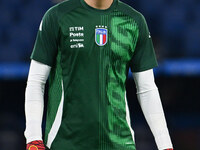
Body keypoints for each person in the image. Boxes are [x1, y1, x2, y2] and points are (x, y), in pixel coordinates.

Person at [25, 0, 173, 150]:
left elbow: (147, 89)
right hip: (65, 142)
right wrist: (33, 137)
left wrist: (165, 144)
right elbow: (36, 81)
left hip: (120, 143)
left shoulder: (134, 20)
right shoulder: (57, 16)